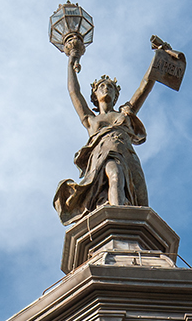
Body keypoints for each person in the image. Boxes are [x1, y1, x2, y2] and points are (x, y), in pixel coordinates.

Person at [55, 35, 182, 222]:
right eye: (101, 86)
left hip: (128, 155)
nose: (106, 88)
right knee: (115, 175)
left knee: (141, 202)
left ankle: (132, 229)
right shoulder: (91, 119)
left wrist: (159, 57)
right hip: (104, 154)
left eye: (110, 87)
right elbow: (74, 91)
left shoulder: (125, 113)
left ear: (116, 95)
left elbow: (146, 84)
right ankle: (116, 222)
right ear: (95, 96)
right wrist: (71, 60)